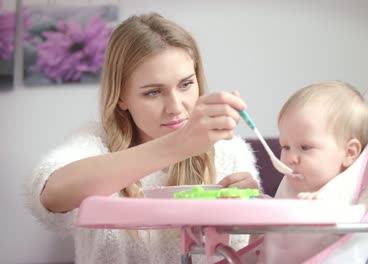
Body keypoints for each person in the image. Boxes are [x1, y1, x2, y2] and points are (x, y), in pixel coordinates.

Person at [24, 13, 261, 264]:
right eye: (153, 92)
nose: (175, 107)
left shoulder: (229, 151)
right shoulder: (95, 144)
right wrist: (180, 144)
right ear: (121, 97)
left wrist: (254, 214)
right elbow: (52, 195)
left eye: (185, 85)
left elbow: (253, 254)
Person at [258, 80, 368, 264]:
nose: (290, 158)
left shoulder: (364, 190)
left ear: (349, 153)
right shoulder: (294, 182)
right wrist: (261, 208)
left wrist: (325, 209)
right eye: (285, 147)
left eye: (305, 147)